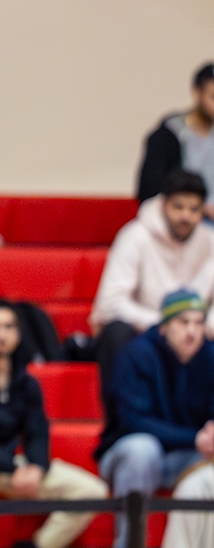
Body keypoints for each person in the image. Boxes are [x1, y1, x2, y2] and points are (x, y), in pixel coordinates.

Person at [0, 299, 105, 548]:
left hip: (11, 464)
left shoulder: (27, 383)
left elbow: (37, 429)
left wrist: (36, 467)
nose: (1, 334)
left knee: (92, 491)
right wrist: (12, 467)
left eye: (9, 327)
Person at [90, 169, 214, 421]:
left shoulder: (210, 240)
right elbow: (110, 303)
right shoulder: (135, 235)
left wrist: (204, 325)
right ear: (162, 205)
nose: (186, 216)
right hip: (146, 332)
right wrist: (165, 323)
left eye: (194, 209)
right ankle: (120, 423)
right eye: (178, 207)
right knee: (115, 332)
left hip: (197, 331)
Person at [100, 289, 214, 548]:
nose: (192, 331)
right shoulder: (135, 354)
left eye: (198, 323)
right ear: (164, 326)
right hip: (125, 456)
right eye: (183, 322)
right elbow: (133, 421)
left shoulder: (209, 355)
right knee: (142, 449)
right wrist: (196, 438)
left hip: (187, 456)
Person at [138, 62, 214, 206]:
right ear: (197, 93)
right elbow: (148, 192)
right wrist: (201, 209)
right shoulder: (168, 136)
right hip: (180, 221)